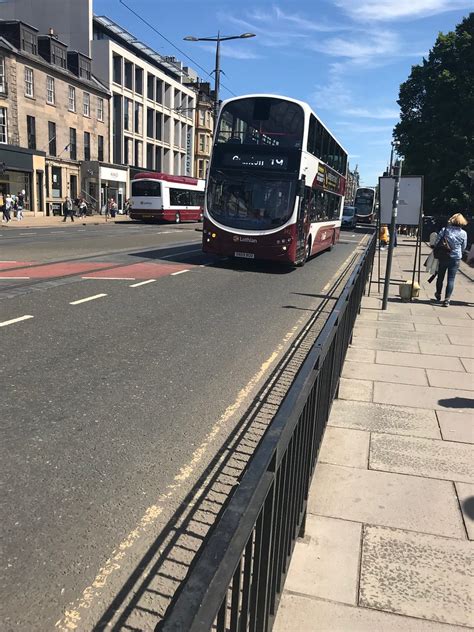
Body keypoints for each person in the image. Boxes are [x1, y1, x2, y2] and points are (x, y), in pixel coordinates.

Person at [433, 213, 468, 307]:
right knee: (451, 279)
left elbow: (436, 242)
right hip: (455, 258)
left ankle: (438, 293)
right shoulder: (463, 233)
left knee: (440, 277)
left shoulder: (445, 230)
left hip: (443, 256)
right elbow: (463, 247)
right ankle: (447, 299)